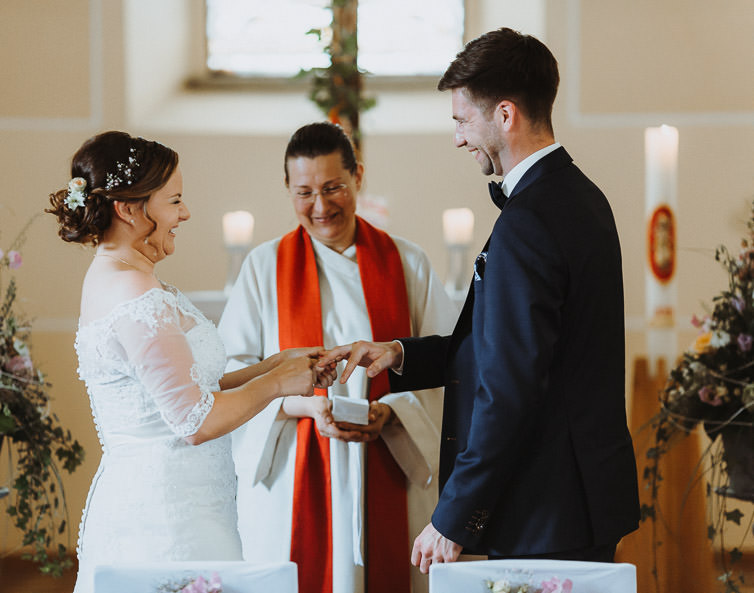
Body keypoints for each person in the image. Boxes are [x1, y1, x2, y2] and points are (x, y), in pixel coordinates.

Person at [321, 28, 640, 570]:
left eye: (463, 120)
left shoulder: (529, 221)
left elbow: (510, 385)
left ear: (506, 115)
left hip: (547, 507)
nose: (458, 138)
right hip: (579, 498)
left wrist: (454, 514)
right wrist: (400, 353)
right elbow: (510, 349)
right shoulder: (581, 196)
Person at [46, 131, 336, 593]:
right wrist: (279, 383)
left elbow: (190, 385)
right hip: (164, 514)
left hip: (184, 498)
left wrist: (276, 363)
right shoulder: (131, 292)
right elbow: (194, 419)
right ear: (129, 208)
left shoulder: (130, 278)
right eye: (174, 201)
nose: (185, 213)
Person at [217, 122, 458, 593]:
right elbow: (230, 374)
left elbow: (452, 365)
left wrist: (391, 413)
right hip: (293, 470)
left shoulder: (408, 263)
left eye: (333, 188)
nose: (321, 207)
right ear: (287, 190)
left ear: (358, 178)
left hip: (390, 461)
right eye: (304, 192)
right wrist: (301, 404)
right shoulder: (264, 267)